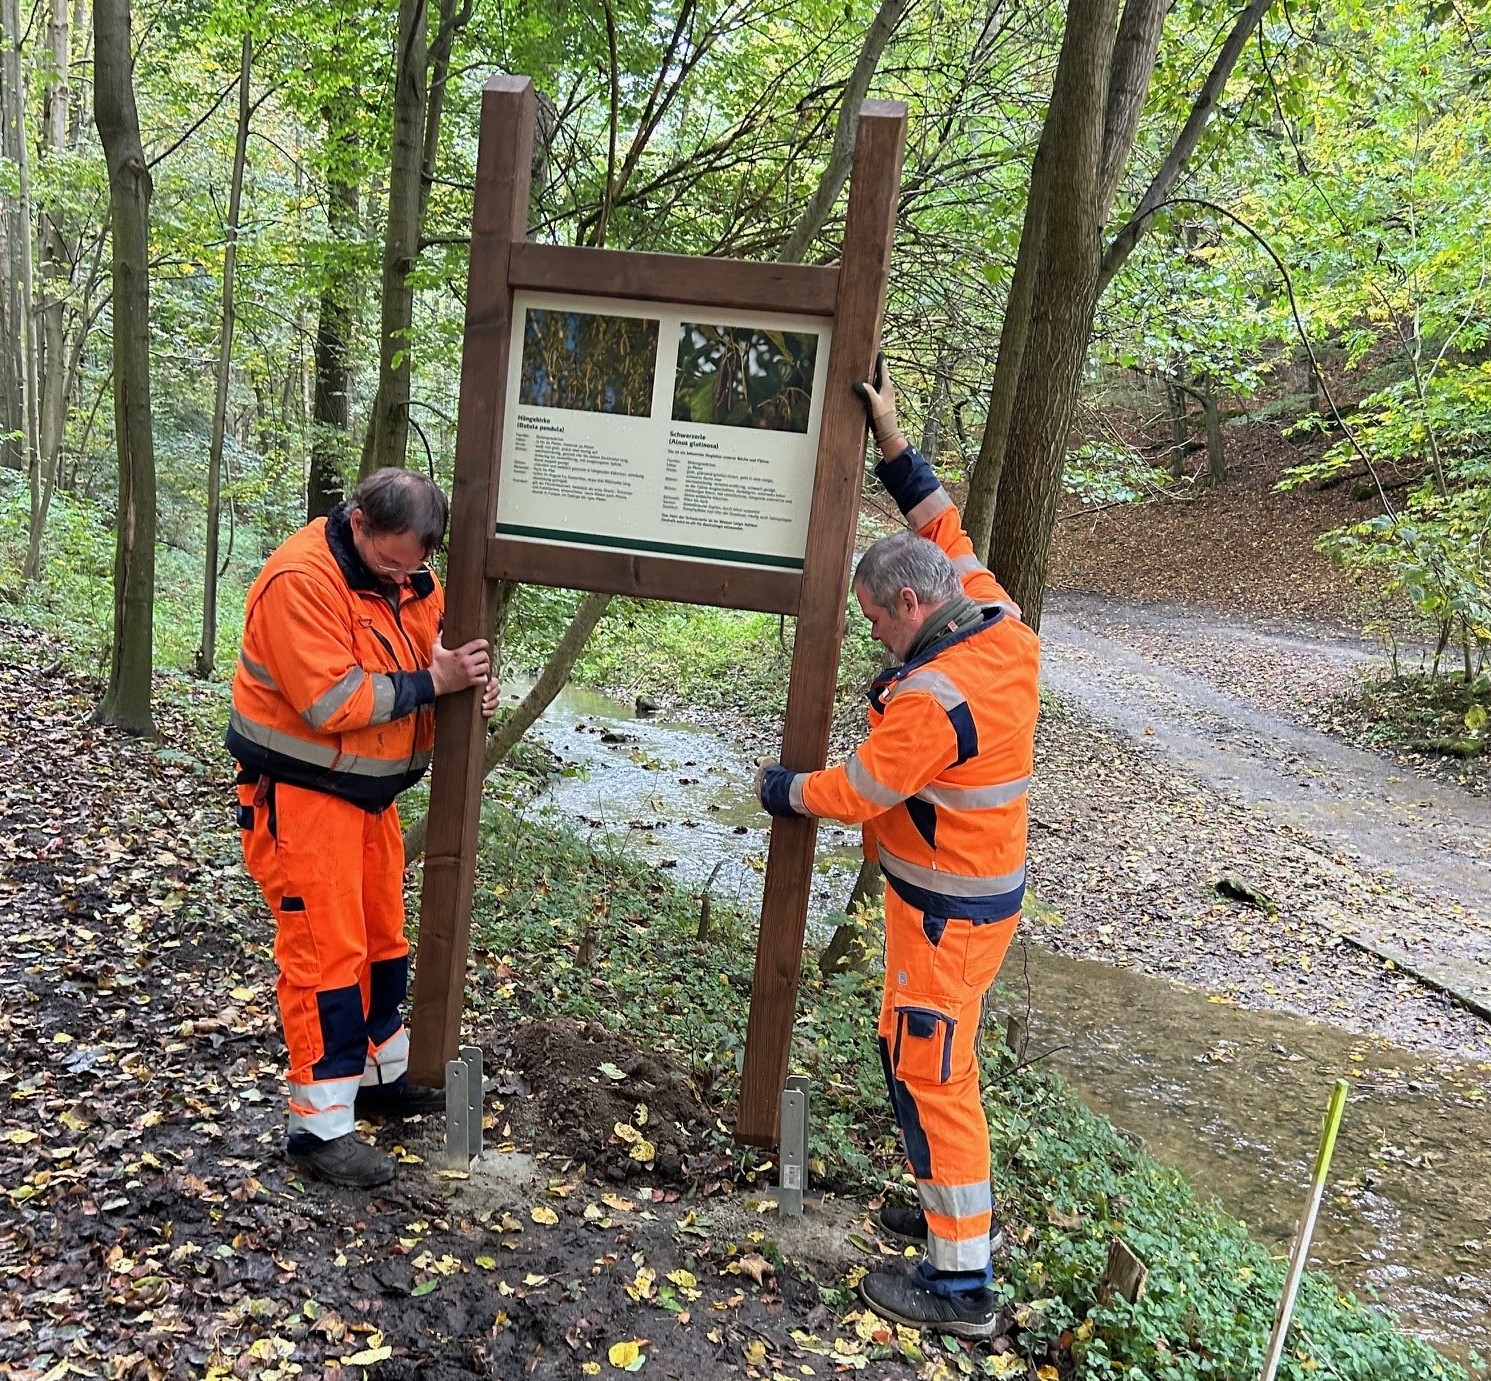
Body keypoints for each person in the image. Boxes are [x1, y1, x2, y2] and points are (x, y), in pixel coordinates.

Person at [755, 358, 1040, 1337]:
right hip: (962, 902)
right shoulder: (993, 616)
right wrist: (889, 432)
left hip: (948, 913)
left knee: (932, 1073)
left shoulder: (931, 700)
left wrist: (783, 790)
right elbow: (938, 519)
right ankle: (940, 1217)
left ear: (911, 607)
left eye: (875, 619)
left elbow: (862, 789)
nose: (873, 632)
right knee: (911, 1051)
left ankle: (961, 1287)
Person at [227, 468, 498, 1188]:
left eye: (414, 566)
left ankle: (378, 1078)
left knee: (383, 944)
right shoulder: (300, 581)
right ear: (358, 524)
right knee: (324, 956)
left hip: (372, 800)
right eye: (390, 563)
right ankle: (319, 1129)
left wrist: (463, 682)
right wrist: (434, 685)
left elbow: (425, 658)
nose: (404, 577)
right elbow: (332, 700)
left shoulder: (414, 577)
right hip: (303, 799)